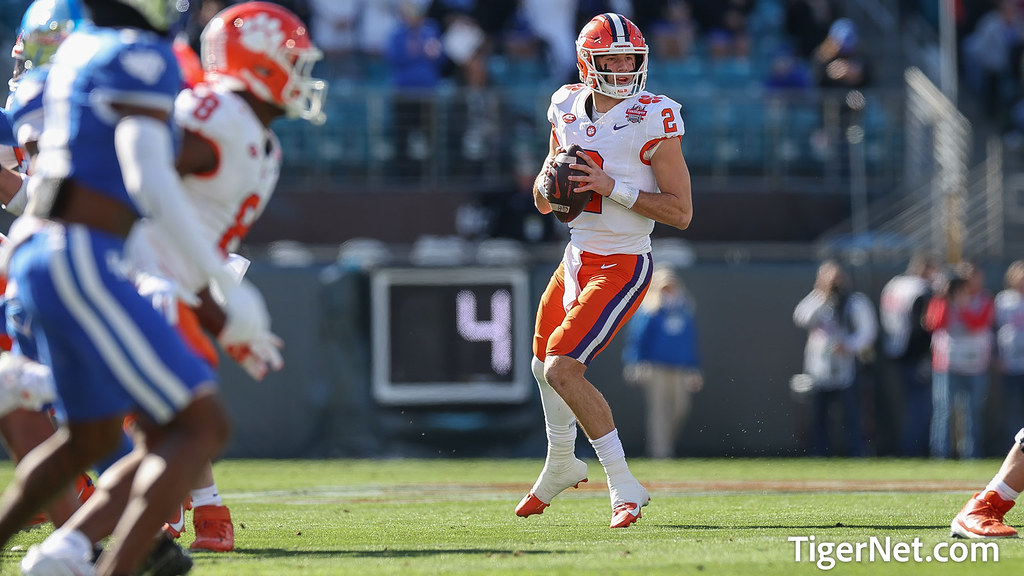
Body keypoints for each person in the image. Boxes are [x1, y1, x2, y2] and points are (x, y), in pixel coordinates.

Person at [0, 1, 280, 575]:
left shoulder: (79, 57)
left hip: (54, 244)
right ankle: (91, 554)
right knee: (196, 421)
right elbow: (146, 169)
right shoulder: (141, 56)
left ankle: (68, 545)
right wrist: (217, 278)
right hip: (91, 249)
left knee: (98, 433)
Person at [515, 12, 693, 529]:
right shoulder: (565, 104)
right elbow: (543, 202)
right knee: (539, 364)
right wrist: (550, 186)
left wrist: (608, 185)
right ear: (586, 64)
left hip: (623, 259)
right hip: (576, 255)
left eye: (629, 59)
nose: (621, 67)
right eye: (610, 59)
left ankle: (623, 484)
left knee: (562, 368)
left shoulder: (655, 117)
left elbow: (681, 212)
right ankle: (560, 463)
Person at [793, 260, 877, 457]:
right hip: (818, 368)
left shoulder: (855, 301)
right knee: (819, 416)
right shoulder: (817, 300)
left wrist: (848, 345)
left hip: (847, 366)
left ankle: (857, 454)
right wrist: (822, 292)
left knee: (852, 415)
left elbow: (868, 332)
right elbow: (800, 317)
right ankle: (820, 454)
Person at [621, 265, 703, 459]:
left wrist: (694, 368)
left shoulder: (684, 310)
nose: (669, 290)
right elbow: (636, 339)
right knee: (659, 411)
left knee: (680, 408)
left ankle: (667, 445)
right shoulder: (649, 311)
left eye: (672, 286)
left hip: (680, 368)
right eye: (665, 287)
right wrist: (634, 363)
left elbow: (689, 341)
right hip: (655, 367)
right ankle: (660, 452)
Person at [925, 261, 994, 460]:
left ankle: (971, 455)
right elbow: (933, 323)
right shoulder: (943, 300)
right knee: (944, 411)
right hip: (947, 363)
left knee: (972, 413)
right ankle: (940, 454)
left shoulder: (984, 299)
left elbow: (978, 324)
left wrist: (963, 307)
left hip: (976, 364)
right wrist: (944, 297)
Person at [879, 253, 937, 457]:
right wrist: (924, 355)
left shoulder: (894, 284)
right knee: (920, 406)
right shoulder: (919, 288)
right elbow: (920, 326)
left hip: (894, 348)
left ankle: (909, 447)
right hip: (913, 352)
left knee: (911, 404)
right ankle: (913, 449)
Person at [996, 260, 1024, 439]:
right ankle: (1013, 448)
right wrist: (997, 357)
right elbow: (994, 329)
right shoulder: (1003, 300)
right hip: (1011, 363)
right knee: (1013, 408)